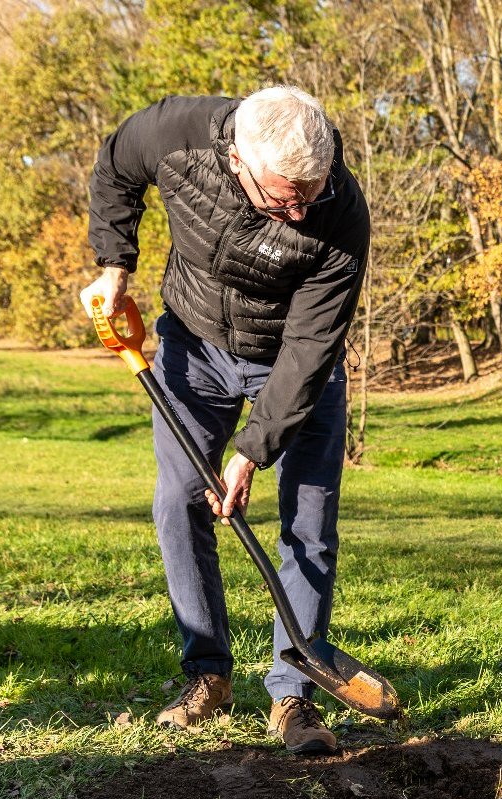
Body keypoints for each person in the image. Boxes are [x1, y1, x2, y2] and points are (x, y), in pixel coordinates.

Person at [81, 86, 370, 756]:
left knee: (309, 521)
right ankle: (207, 675)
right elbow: (118, 163)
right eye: (283, 197)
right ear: (237, 159)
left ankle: (292, 693)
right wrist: (115, 265)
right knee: (179, 498)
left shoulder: (342, 215)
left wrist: (250, 452)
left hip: (298, 364)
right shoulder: (178, 134)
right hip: (195, 344)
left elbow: (310, 349)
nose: (299, 211)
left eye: (311, 192)